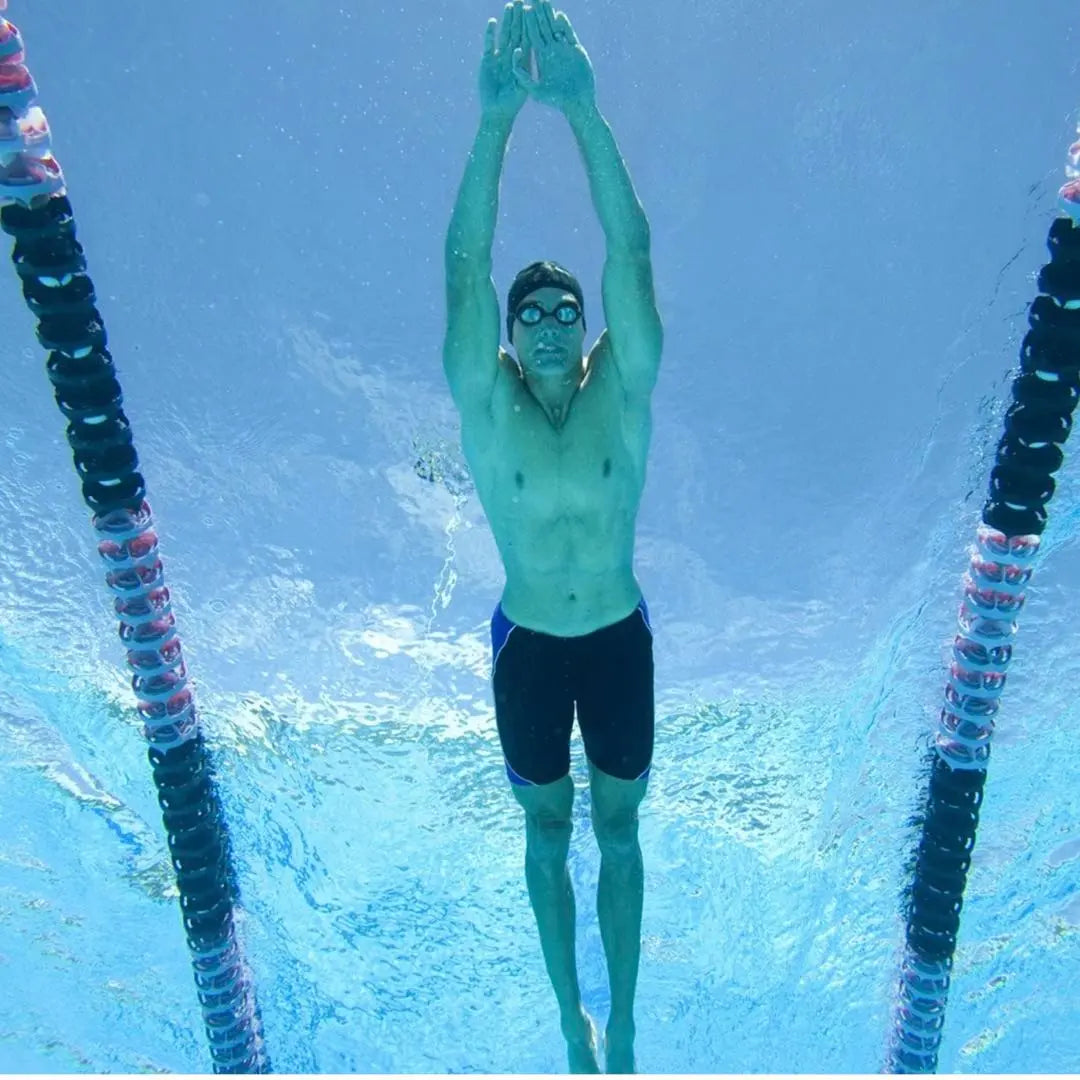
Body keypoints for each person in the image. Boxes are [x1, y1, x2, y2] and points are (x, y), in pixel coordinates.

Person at [442, 1, 662, 1073]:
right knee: (548, 835)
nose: (544, 321)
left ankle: (619, 1024)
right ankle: (567, 1027)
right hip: (528, 642)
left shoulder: (625, 389)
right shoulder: (485, 412)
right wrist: (493, 128)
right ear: (507, 334)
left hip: (618, 635)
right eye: (527, 312)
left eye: (562, 310)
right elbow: (465, 261)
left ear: (586, 334)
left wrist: (581, 109)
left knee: (618, 834)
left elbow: (630, 244)